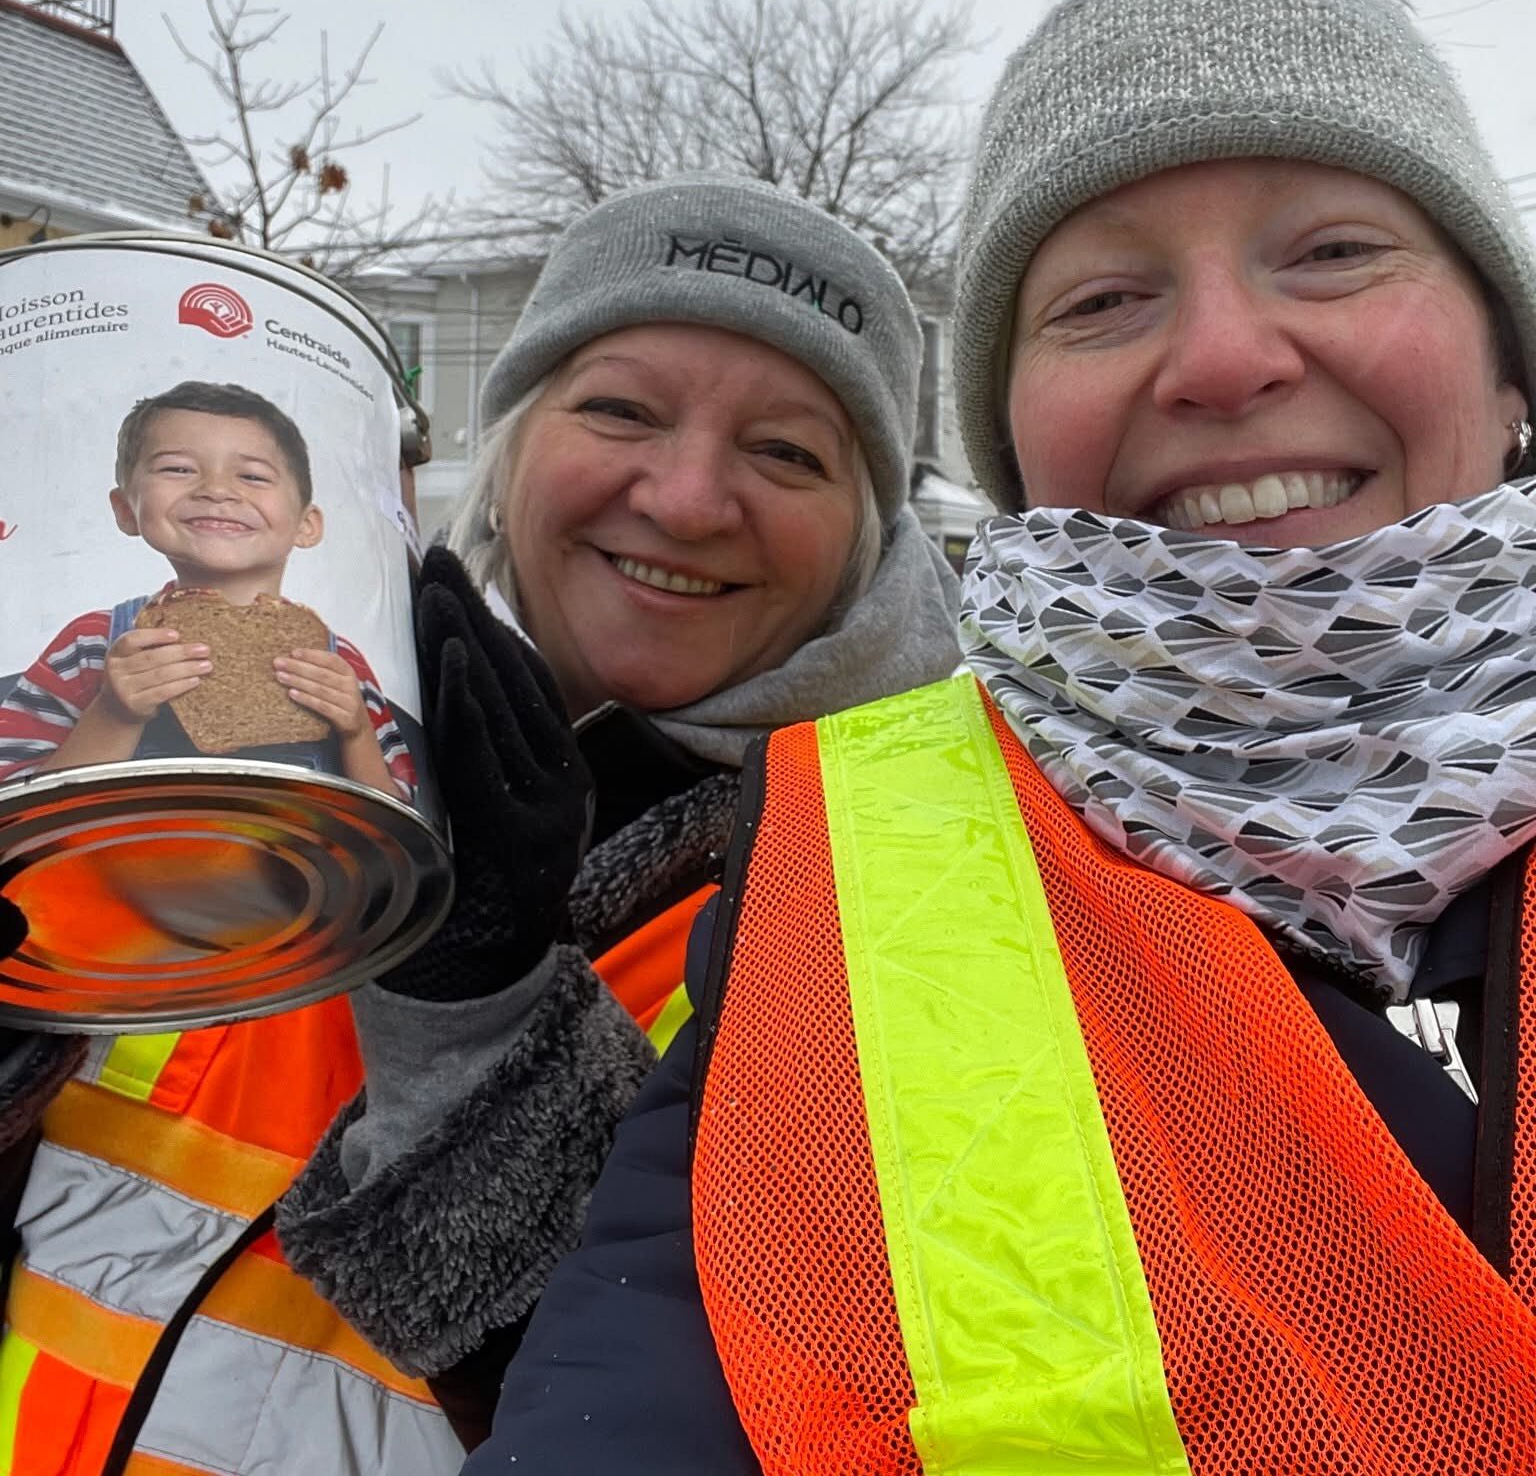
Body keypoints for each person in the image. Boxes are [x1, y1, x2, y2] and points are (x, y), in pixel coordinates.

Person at [474, 0, 1536, 1474]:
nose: (1224, 358)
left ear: (1511, 368)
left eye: (1334, 250)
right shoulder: (859, 869)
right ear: (1012, 445)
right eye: (1102, 299)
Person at [0, 176, 959, 1476]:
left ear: (870, 539)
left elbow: (726, 1406)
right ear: (506, 453)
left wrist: (488, 1012)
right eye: (620, 409)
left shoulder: (908, 898)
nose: (684, 499)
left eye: (788, 452)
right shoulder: (284, 731)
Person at [0, 379, 414, 798]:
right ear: (127, 510)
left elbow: (400, 818)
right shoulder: (89, 645)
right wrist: (113, 714)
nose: (216, 490)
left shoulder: (337, 663)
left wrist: (356, 731)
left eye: (253, 475)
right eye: (178, 469)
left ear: (306, 525)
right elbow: (14, 803)